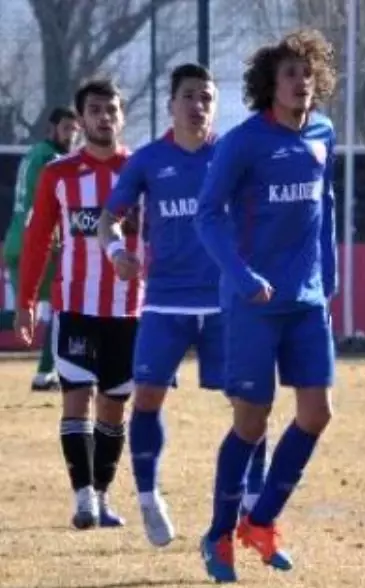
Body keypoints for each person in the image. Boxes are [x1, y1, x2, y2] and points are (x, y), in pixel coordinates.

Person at [97, 63, 266, 547]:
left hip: (225, 302)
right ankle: (149, 499)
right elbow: (110, 218)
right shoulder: (149, 160)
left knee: (250, 402)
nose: (198, 106)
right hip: (165, 302)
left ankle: (253, 505)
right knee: (146, 395)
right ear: (172, 103)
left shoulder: (233, 156)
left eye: (207, 97)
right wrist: (116, 252)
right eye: (189, 96)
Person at [193, 28, 338, 583]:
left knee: (317, 413)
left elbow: (323, 207)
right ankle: (218, 534)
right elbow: (208, 215)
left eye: (307, 73)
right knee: (251, 424)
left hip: (305, 302)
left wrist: (330, 278)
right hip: (252, 304)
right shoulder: (243, 142)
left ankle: (263, 521)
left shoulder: (324, 132)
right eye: (289, 75)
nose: (301, 83)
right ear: (269, 85)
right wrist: (241, 274)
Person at [14, 80, 140, 530]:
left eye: (111, 109)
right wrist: (25, 300)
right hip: (76, 306)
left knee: (113, 407)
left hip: (129, 310)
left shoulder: (138, 170)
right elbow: (36, 240)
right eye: (94, 110)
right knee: (77, 399)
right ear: (80, 119)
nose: (104, 117)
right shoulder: (59, 174)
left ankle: (103, 497)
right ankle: (83, 498)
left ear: (122, 117)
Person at [3, 107, 79, 391]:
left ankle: (50, 371)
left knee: (26, 308)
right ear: (52, 129)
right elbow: (55, 203)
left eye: (75, 130)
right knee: (65, 304)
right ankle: (47, 373)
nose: (71, 135)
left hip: (15, 240)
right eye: (66, 129)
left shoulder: (32, 154)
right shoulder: (52, 159)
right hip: (39, 242)